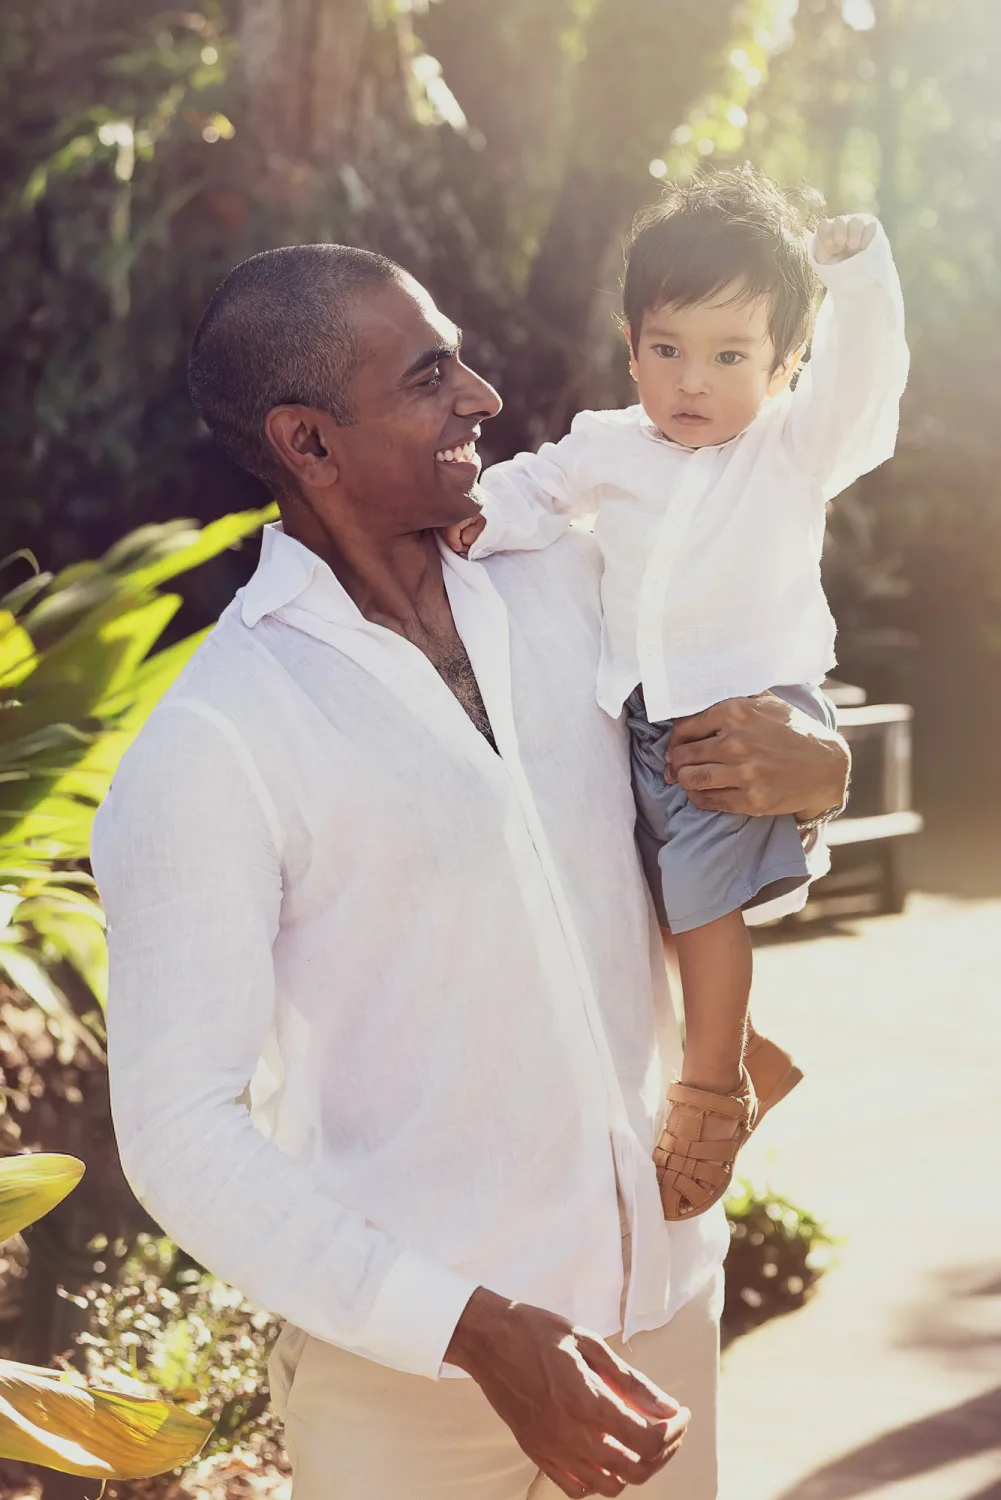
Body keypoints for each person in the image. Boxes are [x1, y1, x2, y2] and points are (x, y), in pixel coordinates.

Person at [90, 243, 850, 1500]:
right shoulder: (213, 739)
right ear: (308, 442)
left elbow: (733, 732)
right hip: (412, 1400)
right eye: (428, 373)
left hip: (660, 1320)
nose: (484, 396)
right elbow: (178, 1132)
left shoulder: (576, 577)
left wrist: (814, 768)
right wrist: (469, 1328)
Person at [445, 167, 908, 1222]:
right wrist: (472, 520)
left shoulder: (790, 448)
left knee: (699, 917)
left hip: (744, 718)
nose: (691, 382)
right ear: (630, 346)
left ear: (785, 363)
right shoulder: (612, 444)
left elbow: (863, 392)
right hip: (644, 718)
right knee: (642, 906)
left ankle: (707, 1099)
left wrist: (858, 277)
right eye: (666, 350)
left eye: (729, 356)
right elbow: (531, 485)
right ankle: (751, 1054)